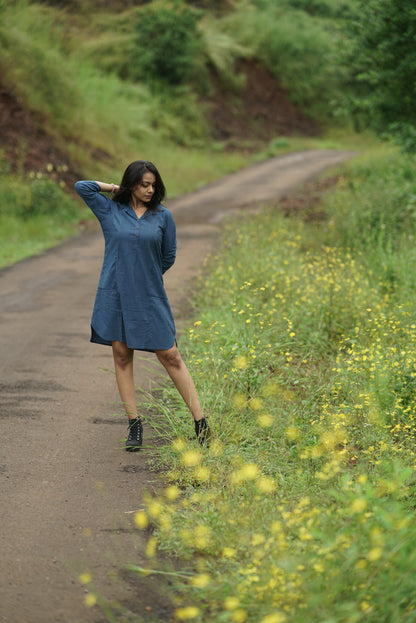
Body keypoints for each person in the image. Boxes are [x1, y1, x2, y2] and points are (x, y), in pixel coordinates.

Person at [75, 160, 210, 450]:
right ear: (131, 184)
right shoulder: (110, 210)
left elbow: (168, 255)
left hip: (149, 294)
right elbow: (82, 187)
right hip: (116, 293)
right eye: (143, 184)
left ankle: (201, 423)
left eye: (153, 185)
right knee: (122, 354)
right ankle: (134, 425)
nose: (149, 190)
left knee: (170, 353)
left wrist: (146, 275)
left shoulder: (163, 217)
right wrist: (114, 188)